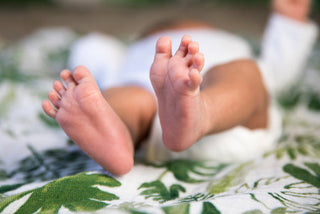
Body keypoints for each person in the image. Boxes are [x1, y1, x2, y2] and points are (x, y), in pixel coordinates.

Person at [42, 0, 318, 176]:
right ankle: (117, 139)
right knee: (247, 74)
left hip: (219, 120)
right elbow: (280, 65)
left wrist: (87, 52)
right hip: (220, 127)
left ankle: (190, 115)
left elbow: (95, 51)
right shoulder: (133, 57)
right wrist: (289, 22)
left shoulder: (130, 56)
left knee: (244, 73)